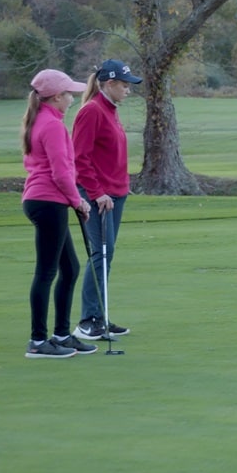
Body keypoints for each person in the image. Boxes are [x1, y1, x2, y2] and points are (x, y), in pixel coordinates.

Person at [21, 69, 97, 358]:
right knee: (47, 272)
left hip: (45, 201)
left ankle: (62, 335)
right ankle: (38, 342)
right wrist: (78, 201)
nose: (72, 99)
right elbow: (61, 172)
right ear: (55, 97)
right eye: (68, 95)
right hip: (48, 201)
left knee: (70, 269)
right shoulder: (52, 126)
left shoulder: (43, 119)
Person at [72, 59, 142, 341]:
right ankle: (88, 321)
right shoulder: (92, 112)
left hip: (116, 193)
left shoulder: (110, 110)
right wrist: (97, 192)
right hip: (97, 195)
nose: (128, 90)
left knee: (106, 254)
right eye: (124, 85)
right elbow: (80, 158)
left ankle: (100, 316)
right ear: (110, 84)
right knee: (100, 254)